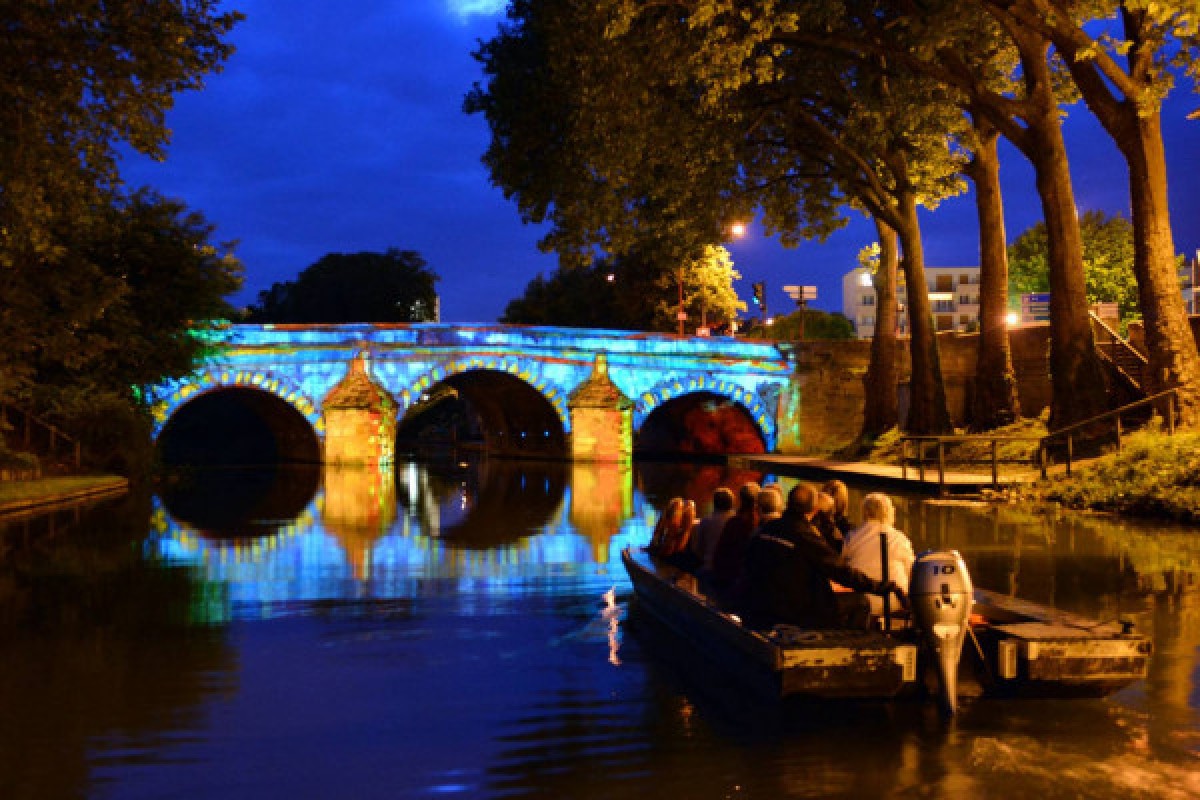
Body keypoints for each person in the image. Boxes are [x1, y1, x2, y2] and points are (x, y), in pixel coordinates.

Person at [733, 483, 906, 629]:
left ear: (787, 503)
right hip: (795, 611)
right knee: (861, 602)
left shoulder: (765, 529)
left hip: (759, 605)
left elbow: (747, 563)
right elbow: (842, 572)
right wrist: (880, 586)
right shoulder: (807, 537)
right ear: (814, 510)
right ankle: (845, 648)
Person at [841, 492, 916, 618]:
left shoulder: (852, 537)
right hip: (894, 601)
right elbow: (912, 572)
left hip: (861, 600)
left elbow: (843, 566)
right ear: (889, 512)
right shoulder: (900, 539)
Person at [709, 482, 760, 587]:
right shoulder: (759, 524)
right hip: (746, 581)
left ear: (740, 499)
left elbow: (720, 553)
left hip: (727, 578)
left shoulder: (734, 522)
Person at [690, 487, 736, 571]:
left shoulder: (706, 521)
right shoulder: (736, 522)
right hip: (731, 570)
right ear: (731, 503)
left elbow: (697, 549)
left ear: (714, 503)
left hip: (708, 567)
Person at [646, 497, 697, 568]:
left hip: (671, 557)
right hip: (674, 557)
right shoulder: (669, 525)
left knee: (688, 504)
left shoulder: (669, 524)